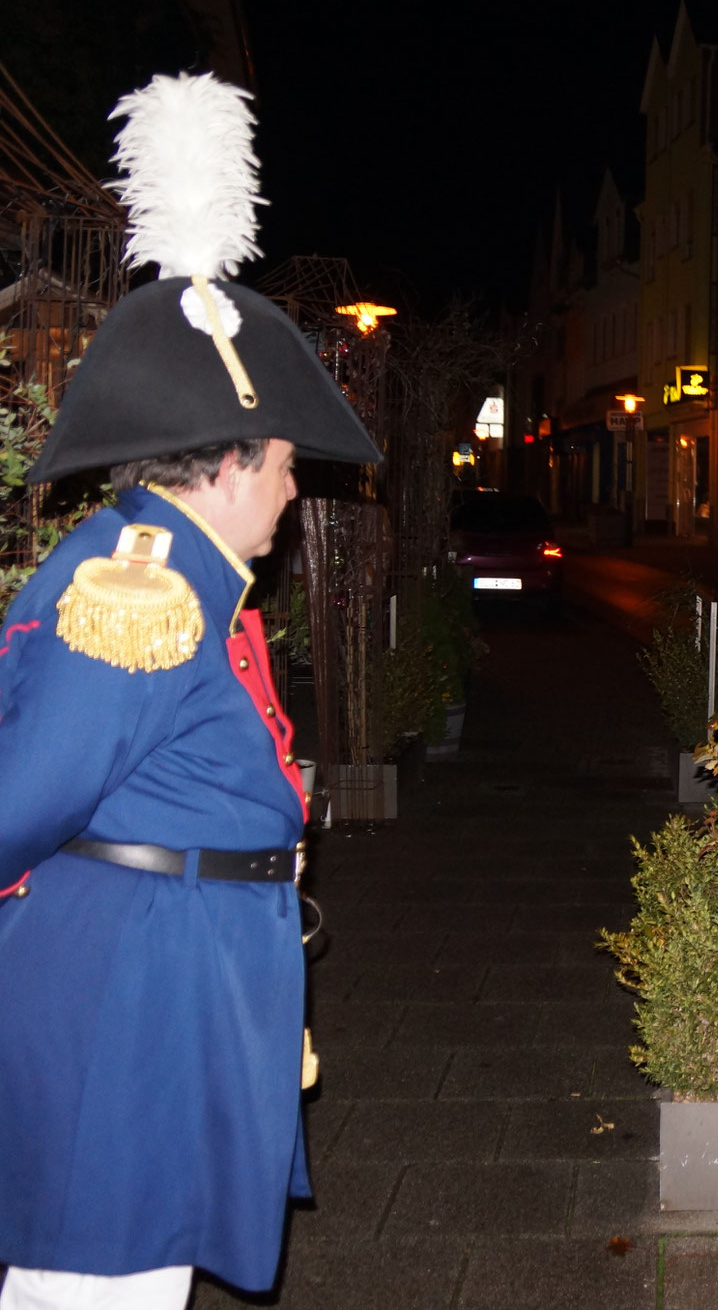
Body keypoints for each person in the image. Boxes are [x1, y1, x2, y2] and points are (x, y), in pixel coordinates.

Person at [0, 73, 383, 1309]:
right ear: (224, 461)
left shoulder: (184, 584)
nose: (288, 490)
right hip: (129, 1008)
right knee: (98, 1288)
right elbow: (18, 803)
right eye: (278, 463)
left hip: (168, 984)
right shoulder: (146, 593)